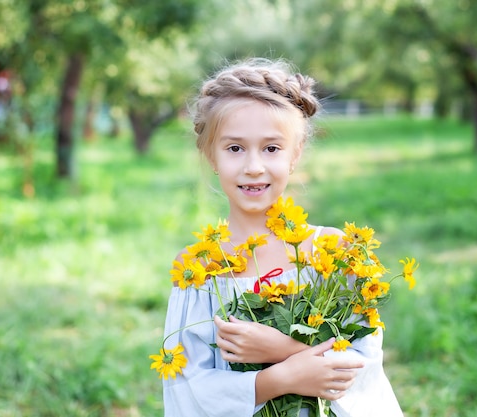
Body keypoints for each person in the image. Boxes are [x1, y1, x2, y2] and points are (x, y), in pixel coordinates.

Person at [161, 58, 403, 417]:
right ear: (210, 154)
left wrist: (281, 349)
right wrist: (279, 380)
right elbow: (187, 387)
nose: (254, 166)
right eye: (234, 148)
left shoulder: (334, 253)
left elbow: (363, 368)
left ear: (296, 153)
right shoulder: (199, 269)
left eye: (271, 148)